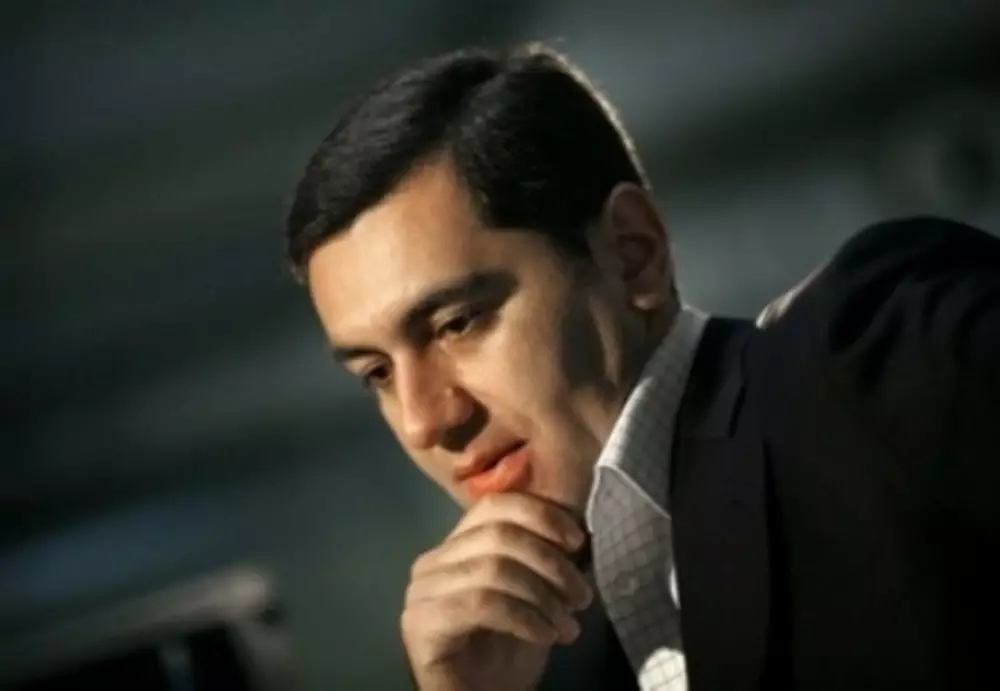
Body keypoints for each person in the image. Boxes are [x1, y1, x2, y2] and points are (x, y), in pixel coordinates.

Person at [283, 44, 1000, 691]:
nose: (423, 420)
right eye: (377, 372)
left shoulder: (879, 355)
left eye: (456, 323)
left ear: (633, 253)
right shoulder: (530, 663)